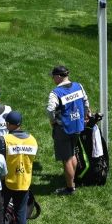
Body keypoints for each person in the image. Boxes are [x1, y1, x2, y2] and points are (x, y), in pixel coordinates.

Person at [47, 65, 91, 195]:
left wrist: (53, 121)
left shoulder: (55, 93)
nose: (53, 79)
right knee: (72, 153)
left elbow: (50, 110)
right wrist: (87, 113)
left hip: (64, 128)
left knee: (66, 158)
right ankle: (72, 181)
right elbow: (86, 102)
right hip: (78, 126)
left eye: (54, 76)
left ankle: (70, 188)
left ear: (59, 76)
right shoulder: (79, 86)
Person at [2, 111, 37, 224]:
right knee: (21, 214)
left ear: (10, 124)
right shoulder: (32, 140)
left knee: (0, 211)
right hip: (24, 182)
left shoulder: (5, 139)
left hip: (7, 182)